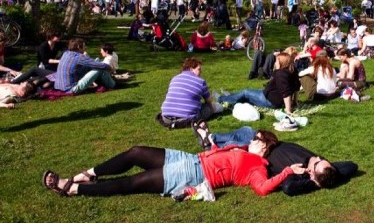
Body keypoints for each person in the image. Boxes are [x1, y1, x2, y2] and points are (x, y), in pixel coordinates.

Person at [42, 130, 305, 197]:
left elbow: (262, 188)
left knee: (131, 184)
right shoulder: (243, 148)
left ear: (266, 147)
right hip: (189, 158)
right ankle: (88, 174)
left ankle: (72, 189)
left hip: (193, 175)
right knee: (136, 152)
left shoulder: (258, 166)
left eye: (258, 139)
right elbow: (218, 153)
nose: (253, 139)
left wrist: (286, 172)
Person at [194, 125, 357, 196]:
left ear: (312, 174)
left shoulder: (300, 171)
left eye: (317, 163)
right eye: (321, 158)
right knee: (247, 131)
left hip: (258, 153)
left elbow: (288, 187)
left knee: (236, 145)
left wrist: (314, 182)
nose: (317, 158)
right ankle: (212, 140)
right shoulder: (318, 163)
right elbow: (352, 165)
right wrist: (325, 167)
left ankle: (210, 141)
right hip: (269, 141)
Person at [220, 52, 300, 116]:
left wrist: (288, 110)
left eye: (276, 61)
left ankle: (222, 99)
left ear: (280, 62)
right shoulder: (293, 71)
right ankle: (232, 96)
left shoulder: (280, 74)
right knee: (249, 95)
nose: (275, 63)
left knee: (245, 92)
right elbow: (297, 87)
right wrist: (295, 101)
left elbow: (286, 93)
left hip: (270, 101)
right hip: (272, 97)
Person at [158, 57, 219, 128]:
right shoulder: (200, 81)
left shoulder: (174, 78)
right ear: (190, 69)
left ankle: (175, 120)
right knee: (209, 107)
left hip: (166, 118)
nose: (201, 71)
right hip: (187, 119)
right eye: (199, 69)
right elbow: (208, 101)